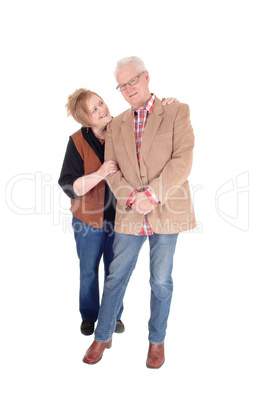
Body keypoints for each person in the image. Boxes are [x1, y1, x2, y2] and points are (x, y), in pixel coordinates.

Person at [83, 56, 196, 368]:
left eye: (132, 80)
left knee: (161, 280)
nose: (127, 88)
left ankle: (156, 341)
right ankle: (102, 335)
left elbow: (182, 160)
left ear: (146, 77)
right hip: (130, 211)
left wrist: (152, 194)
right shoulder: (116, 124)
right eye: (121, 85)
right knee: (116, 275)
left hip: (166, 208)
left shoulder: (176, 111)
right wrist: (134, 197)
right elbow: (112, 170)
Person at [58, 88, 178, 337]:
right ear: (85, 120)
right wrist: (101, 173)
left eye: (100, 103)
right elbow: (69, 186)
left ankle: (112, 315)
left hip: (123, 217)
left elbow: (150, 120)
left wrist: (168, 105)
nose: (102, 109)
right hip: (88, 221)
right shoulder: (77, 142)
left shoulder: (124, 126)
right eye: (94, 109)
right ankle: (90, 316)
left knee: (116, 271)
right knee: (88, 270)